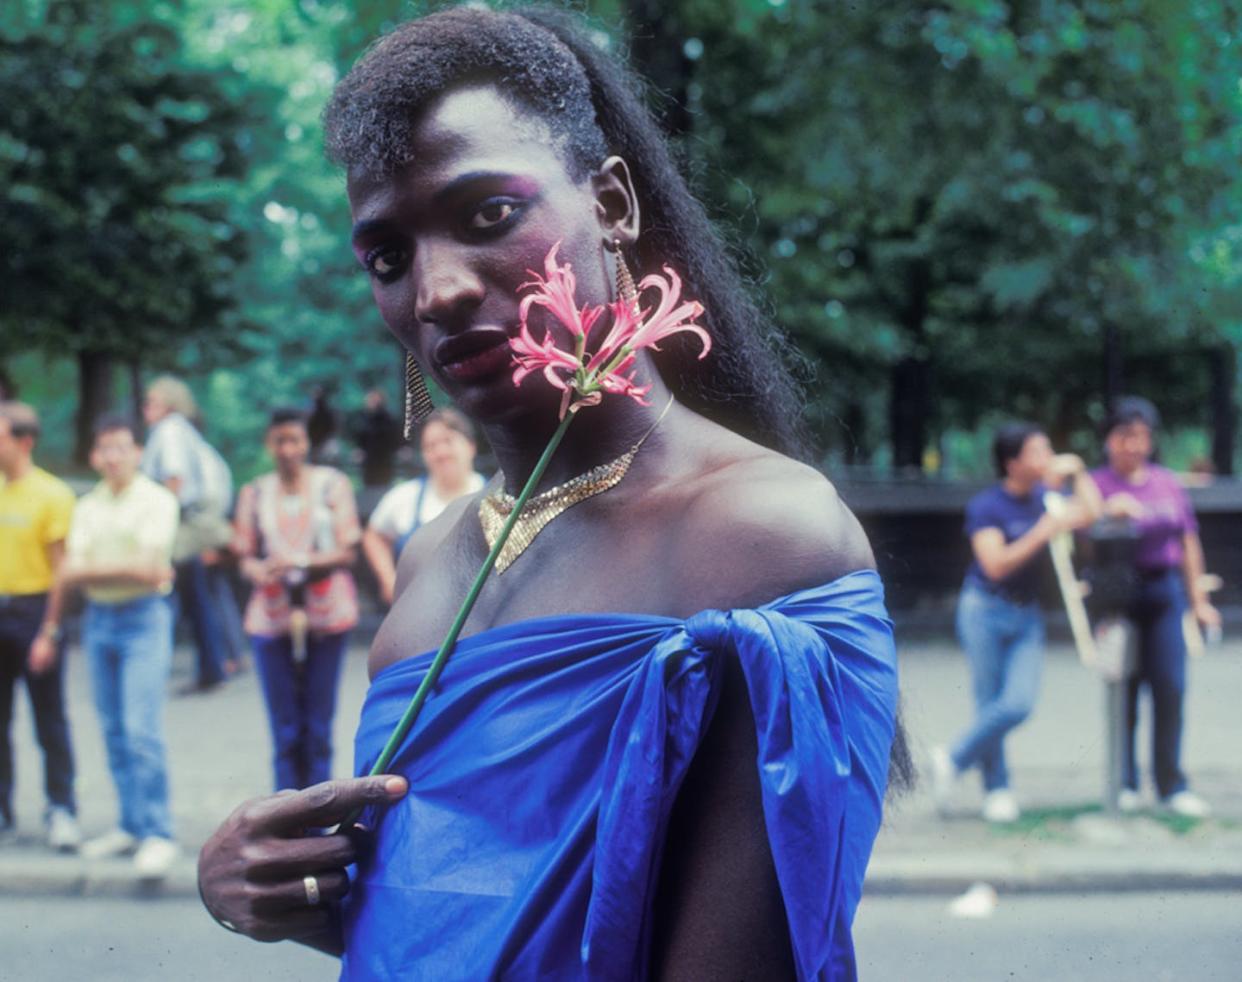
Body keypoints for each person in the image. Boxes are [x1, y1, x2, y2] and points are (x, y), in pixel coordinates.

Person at [198, 8, 905, 979]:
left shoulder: (765, 538)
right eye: (388, 257)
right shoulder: (430, 555)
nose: (436, 290)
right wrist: (270, 881)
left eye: (488, 214)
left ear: (611, 201)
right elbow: (447, 917)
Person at [930, 423, 1101, 823]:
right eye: (1036, 451)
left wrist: (1077, 473)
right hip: (984, 610)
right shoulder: (988, 507)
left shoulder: (1048, 497)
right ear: (1012, 462)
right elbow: (995, 564)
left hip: (1027, 614)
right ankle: (998, 789)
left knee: (1018, 703)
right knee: (990, 702)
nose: (1046, 458)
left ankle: (952, 758)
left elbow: (1092, 511)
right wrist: (1043, 531)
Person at [62, 415, 181, 877]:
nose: (112, 457)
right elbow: (70, 569)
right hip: (99, 620)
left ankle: (158, 831)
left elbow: (151, 571)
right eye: (104, 448)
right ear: (95, 455)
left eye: (121, 447)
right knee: (112, 728)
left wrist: (99, 566)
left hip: (142, 618)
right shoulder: (88, 505)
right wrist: (125, 565)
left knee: (140, 727)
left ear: (137, 452)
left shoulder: (156, 500)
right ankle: (130, 824)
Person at [1091, 397, 1218, 818]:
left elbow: (1187, 541)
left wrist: (1198, 601)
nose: (1134, 445)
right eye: (1126, 436)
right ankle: (1123, 782)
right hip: (1116, 596)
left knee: (1170, 686)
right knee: (1122, 687)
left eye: (1143, 437)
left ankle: (1170, 784)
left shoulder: (1167, 482)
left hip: (1163, 592)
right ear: (1109, 439)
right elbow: (1075, 531)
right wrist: (1106, 514)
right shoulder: (1095, 485)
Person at [233, 408, 361, 792]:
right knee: (285, 726)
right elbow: (244, 555)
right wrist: (256, 570)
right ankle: (287, 820)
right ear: (269, 445)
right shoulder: (254, 492)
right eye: (280, 441)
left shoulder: (331, 485)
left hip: (326, 611)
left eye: (295, 440)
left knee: (319, 724)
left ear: (307, 443)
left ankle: (319, 820)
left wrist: (300, 562)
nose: (288, 449)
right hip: (272, 614)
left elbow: (347, 550)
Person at [0, 402, 80, 850]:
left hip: (35, 611)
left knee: (48, 718)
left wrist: (49, 630)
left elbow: (61, 571)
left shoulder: (52, 495)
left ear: (24, 441)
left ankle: (61, 807)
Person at [141, 375, 241, 692]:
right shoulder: (185, 431)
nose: (146, 409)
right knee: (199, 595)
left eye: (152, 402)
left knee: (179, 596)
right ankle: (215, 664)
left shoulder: (169, 431)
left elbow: (174, 479)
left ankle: (206, 667)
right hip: (198, 520)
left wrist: (159, 524)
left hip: (182, 524)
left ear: (169, 404)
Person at [362, 408, 486, 606]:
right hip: (417, 614)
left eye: (448, 441)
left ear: (471, 446)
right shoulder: (404, 497)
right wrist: (387, 578)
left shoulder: (495, 496)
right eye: (430, 446)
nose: (440, 452)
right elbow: (374, 535)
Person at [352, 389, 403, 488]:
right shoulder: (363, 418)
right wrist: (358, 450)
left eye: (375, 400)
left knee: (384, 485)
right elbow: (359, 437)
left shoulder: (388, 418)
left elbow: (395, 436)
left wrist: (399, 449)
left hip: (384, 459)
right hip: (369, 461)